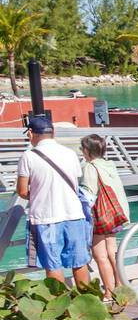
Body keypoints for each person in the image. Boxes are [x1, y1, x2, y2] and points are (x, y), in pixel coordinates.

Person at [15, 115, 92, 286]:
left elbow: (21, 190)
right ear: (53, 132)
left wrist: (37, 194)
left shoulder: (28, 156)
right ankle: (86, 301)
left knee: (52, 265)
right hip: (74, 215)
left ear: (30, 133)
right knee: (79, 262)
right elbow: (76, 179)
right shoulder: (70, 154)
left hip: (46, 218)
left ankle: (60, 309)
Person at [80, 134, 130, 293]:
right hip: (114, 214)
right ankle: (120, 286)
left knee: (100, 255)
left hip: (100, 216)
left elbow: (88, 194)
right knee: (111, 252)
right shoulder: (110, 165)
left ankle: (109, 292)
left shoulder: (90, 167)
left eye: (82, 149)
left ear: (87, 150)